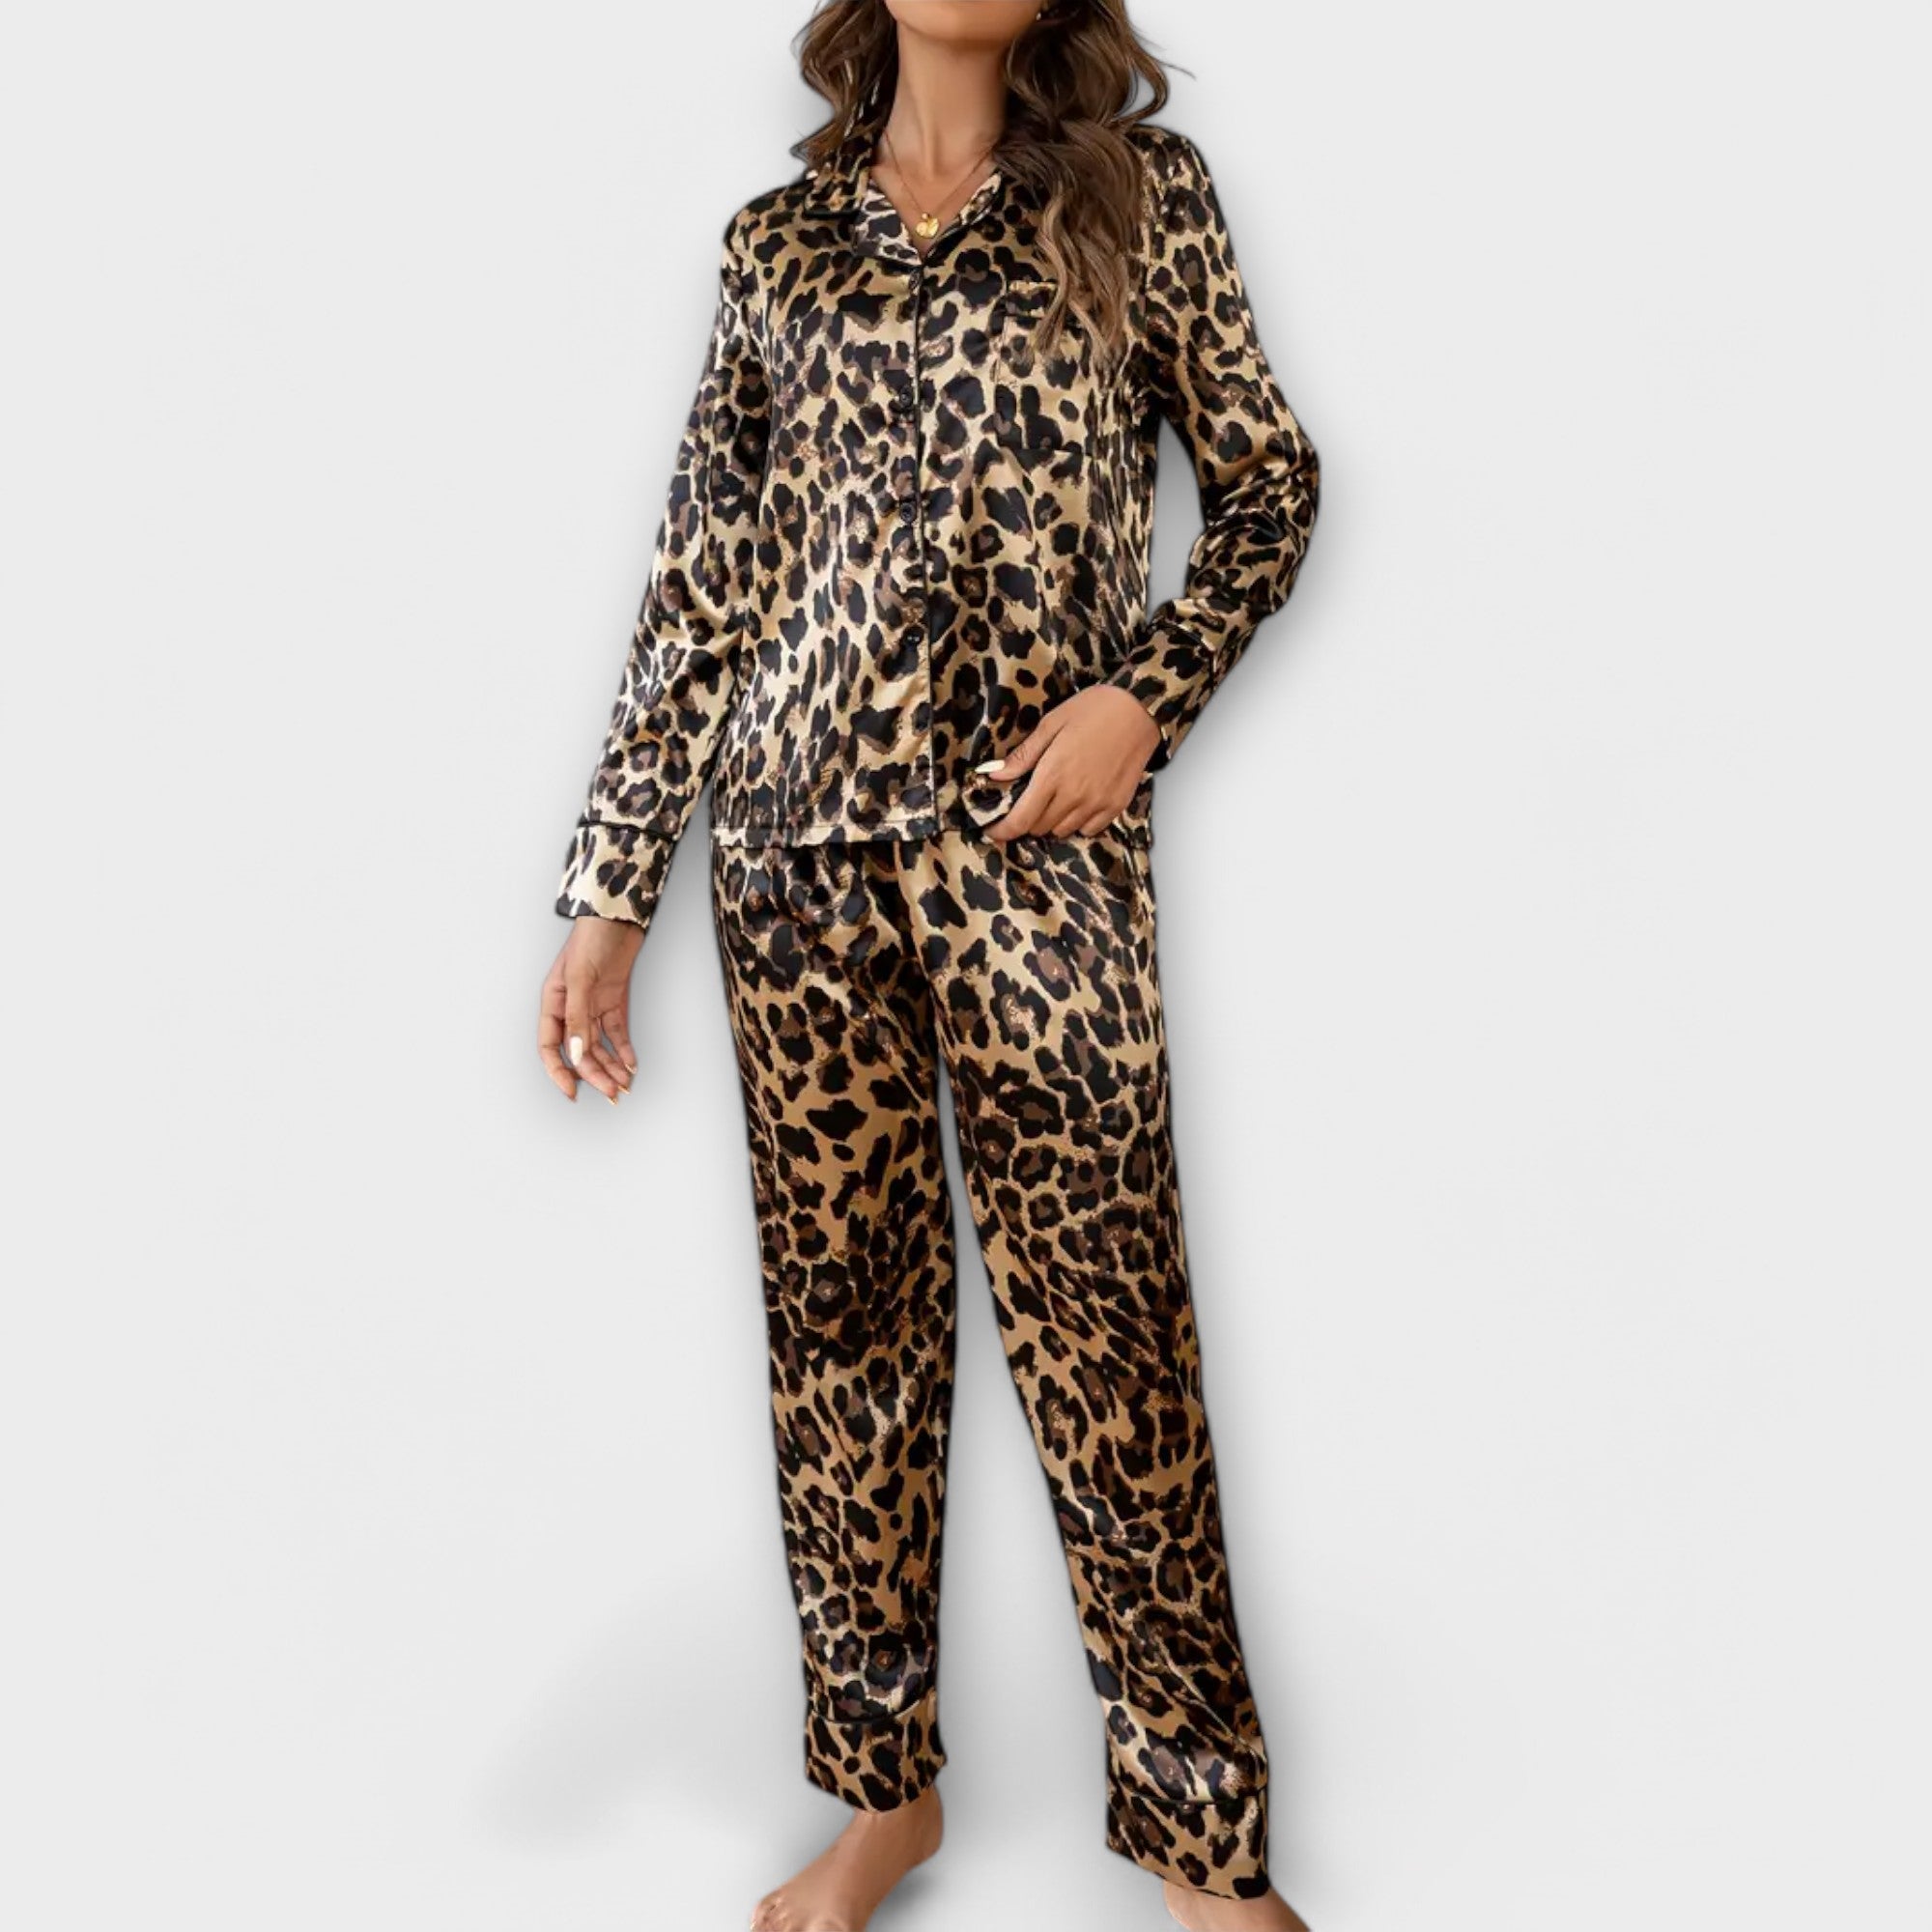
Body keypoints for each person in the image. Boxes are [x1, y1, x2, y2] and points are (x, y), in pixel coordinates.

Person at [536, 2, 1321, 1925]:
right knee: (844, 1347)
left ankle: (1204, 1850)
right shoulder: (774, 245)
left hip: (1033, 853)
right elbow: (704, 575)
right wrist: (613, 886)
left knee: (1109, 1336)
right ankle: (883, 1797)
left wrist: (1145, 697)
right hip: (793, 854)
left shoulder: (1140, 201)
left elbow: (1271, 484)